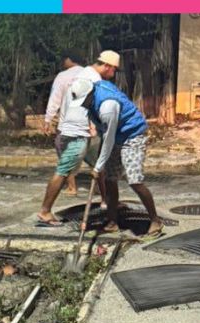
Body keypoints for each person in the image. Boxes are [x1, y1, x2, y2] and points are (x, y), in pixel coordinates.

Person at [71, 64, 165, 238]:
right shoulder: (92, 97)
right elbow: (104, 133)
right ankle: (112, 221)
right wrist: (100, 163)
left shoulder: (108, 105)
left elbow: (109, 138)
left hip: (132, 135)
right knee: (109, 179)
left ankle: (155, 220)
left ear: (90, 94)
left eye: (83, 101)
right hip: (115, 135)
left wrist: (98, 166)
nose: (82, 105)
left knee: (134, 180)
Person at [37, 53, 105, 227]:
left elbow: (58, 100)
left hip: (74, 130)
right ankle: (45, 211)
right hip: (78, 132)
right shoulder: (90, 77)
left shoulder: (69, 78)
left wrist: (48, 119)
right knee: (65, 169)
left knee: (99, 164)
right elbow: (93, 105)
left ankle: (105, 200)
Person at [42, 51, 87, 197]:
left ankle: (71, 186)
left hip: (68, 124)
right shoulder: (90, 74)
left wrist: (48, 120)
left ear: (69, 59)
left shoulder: (63, 76)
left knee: (65, 154)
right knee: (95, 157)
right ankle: (101, 190)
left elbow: (55, 99)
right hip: (89, 123)